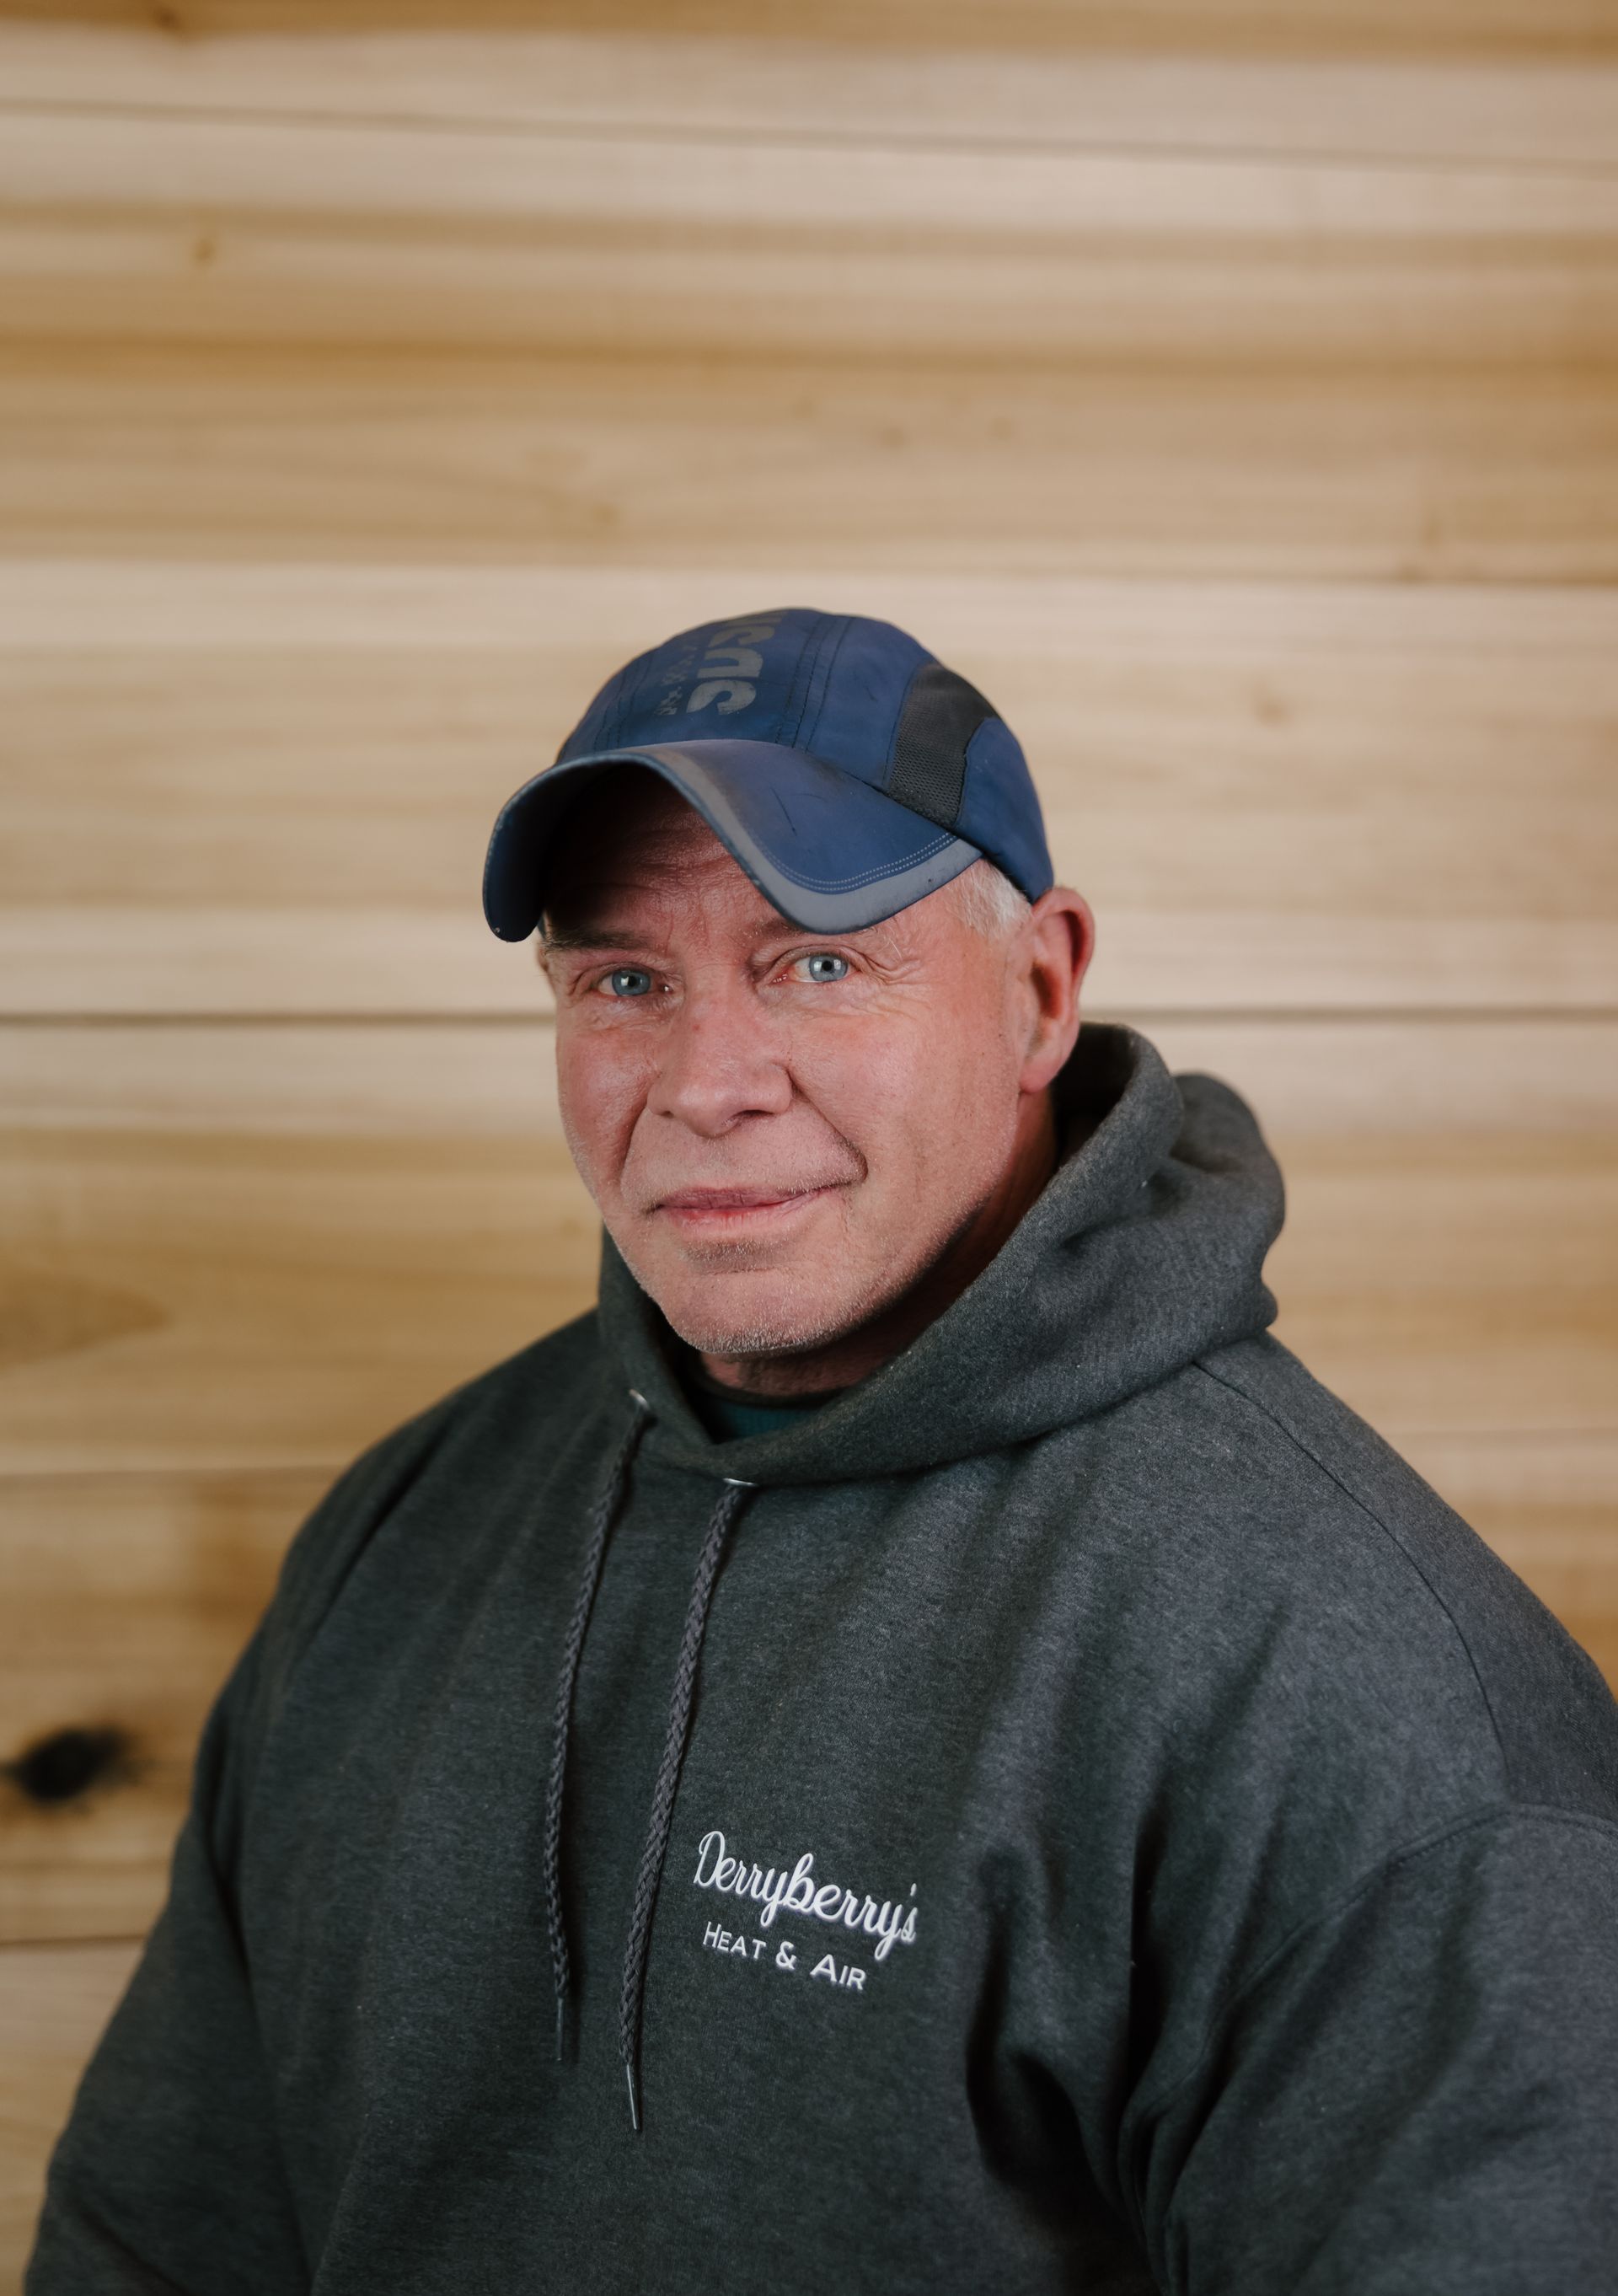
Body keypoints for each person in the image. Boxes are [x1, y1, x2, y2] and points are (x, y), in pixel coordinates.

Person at [29, 609, 1618, 2294]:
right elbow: (155, 2239)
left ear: (1039, 989)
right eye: (625, 980)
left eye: (820, 963)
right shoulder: (410, 1522)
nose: (709, 1082)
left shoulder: (1365, 1700)